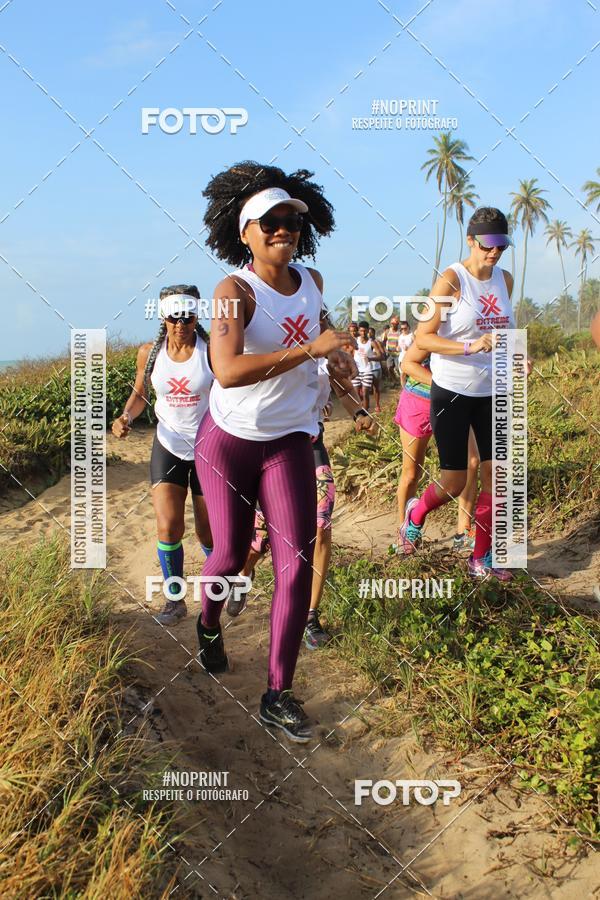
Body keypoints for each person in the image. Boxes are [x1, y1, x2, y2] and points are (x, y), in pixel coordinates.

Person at [195, 161, 357, 742]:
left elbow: (325, 337)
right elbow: (228, 369)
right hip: (228, 442)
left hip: (288, 442)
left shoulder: (311, 281)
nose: (283, 228)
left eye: (291, 219)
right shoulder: (232, 291)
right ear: (246, 233)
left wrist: (337, 360)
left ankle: (277, 693)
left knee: (294, 566)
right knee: (230, 556)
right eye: (271, 221)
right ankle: (208, 622)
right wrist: (310, 348)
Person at [398, 207, 517, 580]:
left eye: (500, 247)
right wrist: (470, 347)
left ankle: (481, 558)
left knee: (497, 476)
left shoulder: (506, 280)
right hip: (451, 391)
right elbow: (424, 338)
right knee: (455, 482)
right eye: (487, 246)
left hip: (493, 391)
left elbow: (506, 333)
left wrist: (517, 358)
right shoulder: (452, 281)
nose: (493, 254)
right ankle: (416, 513)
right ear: (471, 240)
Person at [233, 361, 376, 650]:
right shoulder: (272, 340)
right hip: (272, 449)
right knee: (261, 537)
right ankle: (244, 573)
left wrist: (359, 413)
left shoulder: (324, 350)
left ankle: (310, 616)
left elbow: (343, 388)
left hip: (311, 446)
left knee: (321, 527)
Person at [111, 285, 214, 625]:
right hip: (167, 445)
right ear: (163, 317)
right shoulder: (149, 353)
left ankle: (220, 589)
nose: (181, 323)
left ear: (196, 315)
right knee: (168, 525)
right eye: (174, 316)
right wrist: (126, 416)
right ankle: (175, 600)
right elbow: (140, 394)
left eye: (188, 315)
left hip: (208, 448)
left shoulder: (212, 351)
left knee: (207, 532)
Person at [395, 342, 479, 553]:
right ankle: (405, 534)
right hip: (419, 401)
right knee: (412, 472)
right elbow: (408, 365)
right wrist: (442, 385)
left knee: (471, 462)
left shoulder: (474, 328)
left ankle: (463, 532)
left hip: (457, 403)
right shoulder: (436, 326)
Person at [351, 320, 380, 411]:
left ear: (368, 331)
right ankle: (359, 411)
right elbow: (351, 353)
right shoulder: (355, 341)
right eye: (361, 331)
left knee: (365, 393)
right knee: (356, 394)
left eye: (365, 331)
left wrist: (370, 358)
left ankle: (366, 413)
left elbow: (381, 356)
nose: (363, 333)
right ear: (359, 331)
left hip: (367, 370)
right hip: (356, 370)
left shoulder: (371, 343)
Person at [367, 326, 385, 412]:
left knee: (375, 387)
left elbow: (383, 355)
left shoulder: (377, 342)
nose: (369, 334)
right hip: (365, 368)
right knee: (365, 388)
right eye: (368, 332)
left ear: (374, 333)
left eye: (371, 332)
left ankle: (377, 405)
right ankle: (366, 405)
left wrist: (374, 354)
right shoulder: (364, 343)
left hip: (375, 368)